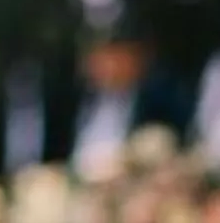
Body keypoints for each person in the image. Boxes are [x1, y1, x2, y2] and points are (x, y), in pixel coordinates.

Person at [47, 24, 193, 175]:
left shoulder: (159, 101)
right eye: (99, 57)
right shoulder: (73, 101)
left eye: (115, 57)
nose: (107, 66)